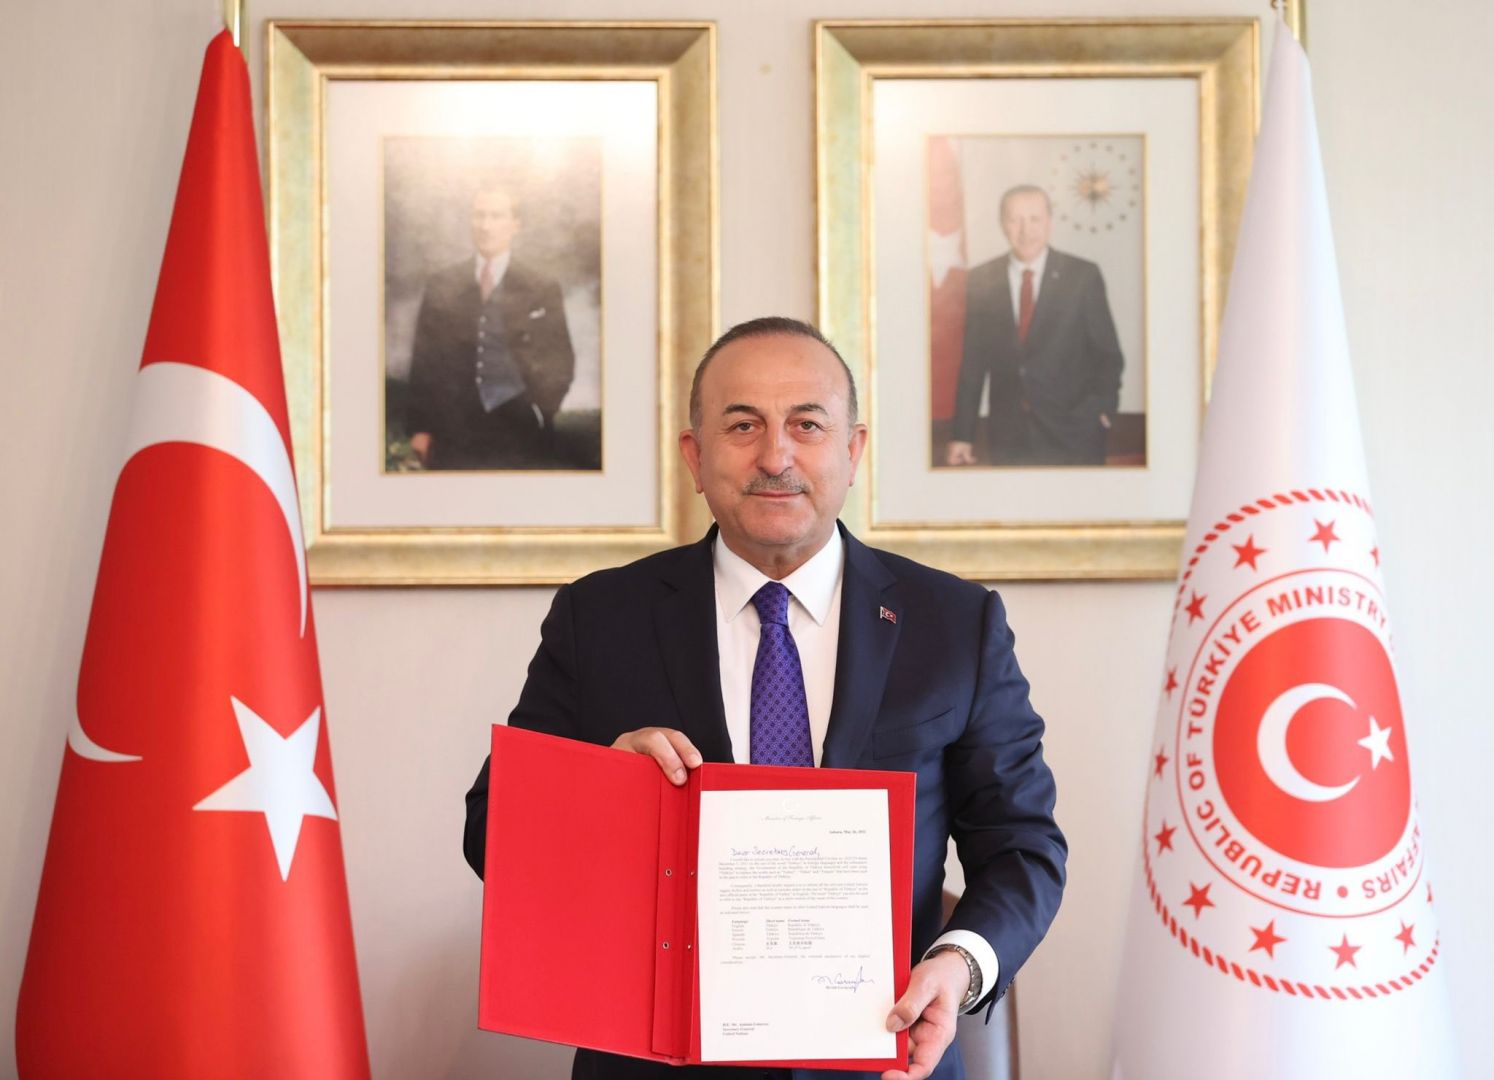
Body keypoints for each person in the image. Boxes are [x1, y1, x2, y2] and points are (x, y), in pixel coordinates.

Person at [464, 317, 1066, 1080]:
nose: (776, 457)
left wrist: (959, 963)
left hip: (883, 1060)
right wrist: (602, 789)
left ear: (853, 451)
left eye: (807, 425)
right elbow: (491, 832)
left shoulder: (955, 624)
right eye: (743, 425)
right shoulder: (600, 618)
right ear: (696, 455)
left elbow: (1022, 846)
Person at [947, 185, 1124, 467]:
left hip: (1075, 433)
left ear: (1049, 222)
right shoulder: (982, 279)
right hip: (1008, 437)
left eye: (1034, 219)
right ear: (1002, 224)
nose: (1025, 230)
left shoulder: (1082, 276)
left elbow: (1108, 356)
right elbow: (973, 363)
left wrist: (1100, 411)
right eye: (1015, 220)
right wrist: (962, 434)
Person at [405, 186, 575, 470]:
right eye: (479, 215)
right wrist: (421, 427)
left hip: (520, 428)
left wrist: (542, 410)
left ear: (515, 225)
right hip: (452, 430)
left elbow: (560, 357)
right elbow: (424, 361)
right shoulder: (442, 284)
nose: (485, 226)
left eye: (496, 216)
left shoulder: (541, 286)